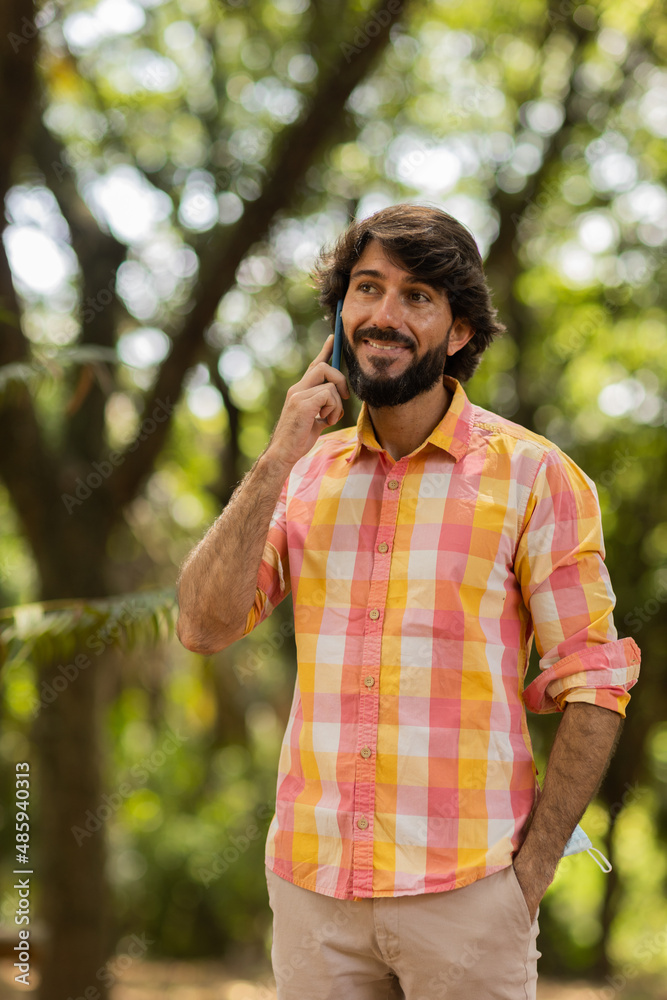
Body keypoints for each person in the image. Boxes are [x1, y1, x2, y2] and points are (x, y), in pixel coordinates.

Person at [176, 205, 641, 999]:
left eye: (417, 296)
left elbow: (593, 681)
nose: (383, 316)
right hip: (312, 891)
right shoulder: (304, 473)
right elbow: (202, 624)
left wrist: (524, 879)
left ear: (459, 331)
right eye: (367, 289)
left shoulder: (534, 477)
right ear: (338, 312)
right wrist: (281, 451)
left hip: (468, 892)